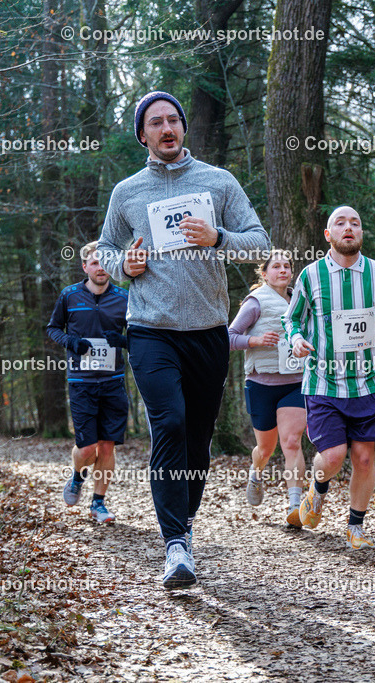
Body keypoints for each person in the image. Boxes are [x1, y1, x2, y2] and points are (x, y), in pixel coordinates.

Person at [96, 91, 270, 588]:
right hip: (151, 330)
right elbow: (104, 248)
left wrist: (217, 238)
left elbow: (258, 242)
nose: (167, 128)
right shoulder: (127, 192)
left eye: (174, 120)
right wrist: (121, 266)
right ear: (143, 134)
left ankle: (184, 525)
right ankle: (174, 544)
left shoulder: (218, 182)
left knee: (196, 440)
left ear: (183, 128)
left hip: (209, 332)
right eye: (156, 122)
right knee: (168, 423)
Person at [286, 206, 375, 549]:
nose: (348, 227)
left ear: (361, 233)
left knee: (365, 457)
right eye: (340, 223)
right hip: (324, 381)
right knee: (335, 456)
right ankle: (317, 488)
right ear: (328, 235)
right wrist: (296, 340)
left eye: (355, 222)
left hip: (368, 381)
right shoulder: (311, 276)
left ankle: (356, 527)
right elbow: (292, 319)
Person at [46, 241, 130, 524]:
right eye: (94, 263)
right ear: (85, 267)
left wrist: (124, 341)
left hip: (113, 382)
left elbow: (141, 335)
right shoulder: (69, 295)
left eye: (105, 262)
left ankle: (98, 503)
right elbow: (53, 329)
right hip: (81, 381)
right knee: (86, 449)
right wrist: (71, 341)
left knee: (107, 447)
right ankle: (77, 476)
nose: (100, 267)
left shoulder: (124, 298)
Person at [227, 249, 307, 526]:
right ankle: (255, 471)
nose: (282, 270)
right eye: (276, 266)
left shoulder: (300, 299)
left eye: (287, 266)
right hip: (261, 383)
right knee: (266, 448)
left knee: (292, 442)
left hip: (295, 383)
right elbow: (229, 337)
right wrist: (256, 340)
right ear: (264, 273)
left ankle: (295, 507)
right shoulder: (255, 301)